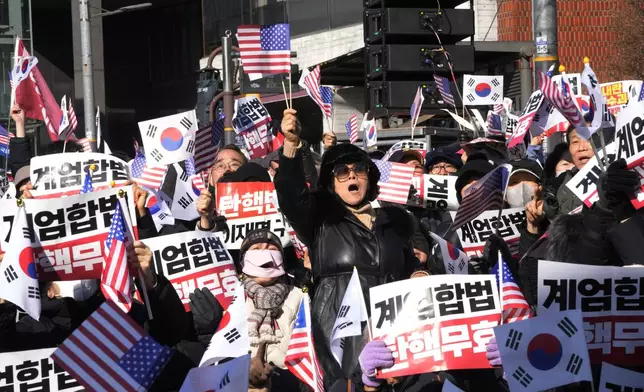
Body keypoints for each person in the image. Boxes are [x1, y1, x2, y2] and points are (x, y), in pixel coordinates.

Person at [274, 108, 419, 390]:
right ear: (331, 183)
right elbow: (291, 197)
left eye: (358, 169)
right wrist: (290, 145)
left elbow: (410, 266)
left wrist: (420, 275)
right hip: (340, 334)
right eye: (341, 171)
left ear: (369, 177)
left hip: (392, 330)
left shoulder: (396, 222)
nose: (351, 175)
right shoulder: (320, 221)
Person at [239, 229, 304, 391]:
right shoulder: (233, 299)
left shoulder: (300, 297)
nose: (265, 255)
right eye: (256, 249)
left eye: (272, 250)